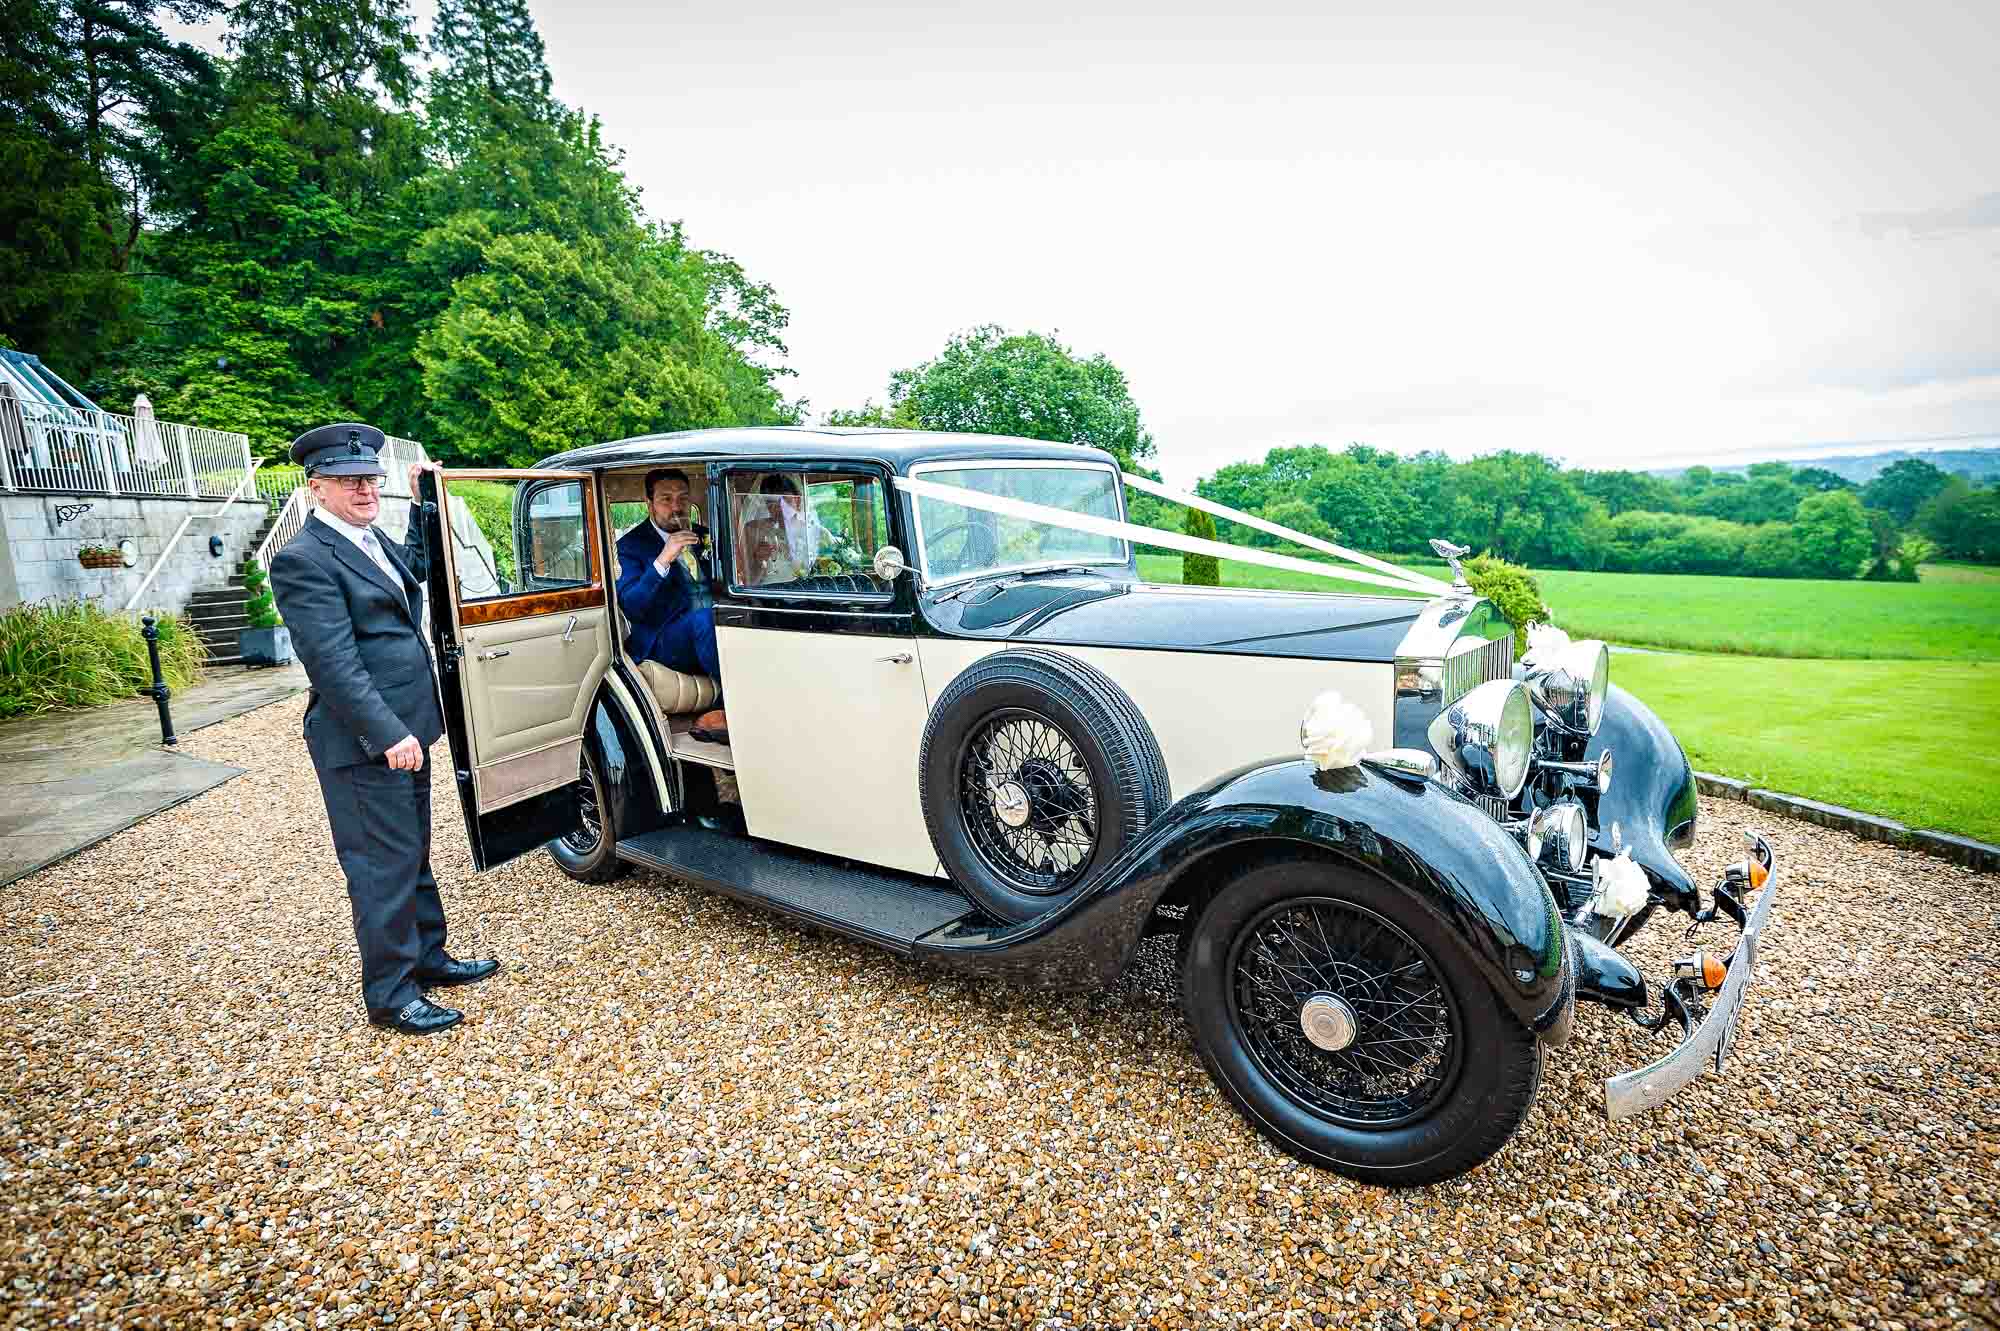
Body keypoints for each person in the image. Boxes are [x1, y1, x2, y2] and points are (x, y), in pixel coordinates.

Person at [268, 422, 497, 1036]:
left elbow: (415, 571)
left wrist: (425, 504)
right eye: (349, 482)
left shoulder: (368, 540)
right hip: (368, 742)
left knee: (411, 851)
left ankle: (427, 955)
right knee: (380, 865)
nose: (365, 490)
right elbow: (333, 663)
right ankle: (392, 994)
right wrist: (388, 733)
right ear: (316, 488)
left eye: (369, 479)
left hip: (407, 731)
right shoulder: (304, 560)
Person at [615, 467, 729, 743]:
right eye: (666, 499)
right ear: (649, 504)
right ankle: (735, 705)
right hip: (664, 638)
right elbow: (632, 607)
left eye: (682, 498)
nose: (677, 507)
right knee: (703, 619)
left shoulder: (705, 536)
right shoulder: (630, 545)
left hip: (715, 626)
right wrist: (663, 559)